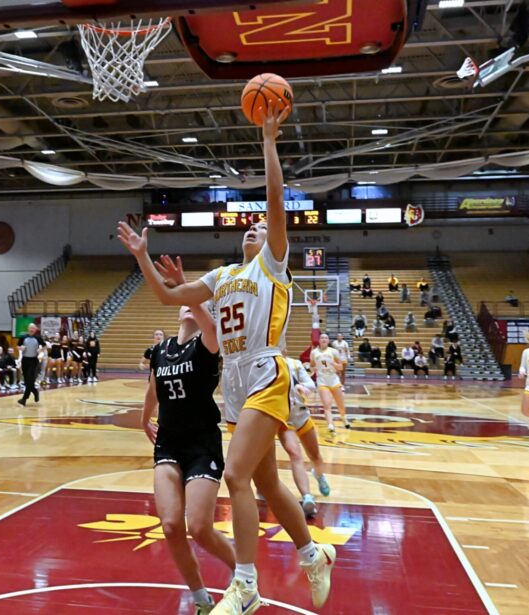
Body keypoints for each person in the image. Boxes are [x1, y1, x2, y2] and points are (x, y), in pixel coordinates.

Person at [118, 101, 334, 614]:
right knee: (264, 481)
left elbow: (277, 205)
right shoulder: (220, 278)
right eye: (249, 228)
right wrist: (143, 258)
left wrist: (269, 144)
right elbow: (171, 298)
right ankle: (312, 553)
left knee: (235, 477)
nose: (254, 230)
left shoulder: (272, 267)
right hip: (234, 384)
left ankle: (245, 583)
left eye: (260, 228)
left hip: (266, 369)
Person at [142, 298, 235, 615]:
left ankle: (246, 573)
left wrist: (198, 300)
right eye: (187, 303)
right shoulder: (161, 350)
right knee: (170, 525)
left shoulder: (207, 345)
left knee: (199, 526)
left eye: (198, 304)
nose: (190, 306)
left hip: (202, 443)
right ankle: (202, 600)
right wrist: (144, 419)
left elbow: (209, 326)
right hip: (168, 442)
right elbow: (154, 389)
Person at [281, 350, 331, 519]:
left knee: (315, 456)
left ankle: (319, 474)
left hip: (301, 415)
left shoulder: (295, 364)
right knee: (295, 455)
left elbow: (311, 384)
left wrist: (304, 387)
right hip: (283, 418)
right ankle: (307, 497)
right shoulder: (267, 365)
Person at [312, 333, 349, 432]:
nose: (324, 339)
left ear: (328, 341)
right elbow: (311, 366)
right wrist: (313, 369)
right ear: (319, 340)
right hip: (322, 381)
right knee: (326, 405)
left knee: (340, 404)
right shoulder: (314, 352)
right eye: (322, 337)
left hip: (333, 379)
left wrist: (333, 364)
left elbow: (340, 368)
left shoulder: (334, 352)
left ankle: (343, 417)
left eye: (326, 338)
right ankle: (330, 425)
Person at [18, 323, 43, 406]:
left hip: (34, 361)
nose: (31, 329)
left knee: (30, 379)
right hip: (25, 360)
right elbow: (18, 346)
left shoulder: (38, 337)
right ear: (28, 329)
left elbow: (45, 346)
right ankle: (35, 392)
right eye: (30, 328)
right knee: (27, 381)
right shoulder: (23, 337)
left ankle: (24, 399)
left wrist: (40, 350)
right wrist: (20, 348)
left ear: (35, 329)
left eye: (33, 328)